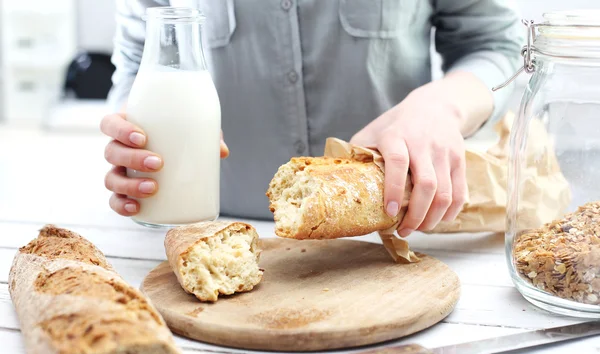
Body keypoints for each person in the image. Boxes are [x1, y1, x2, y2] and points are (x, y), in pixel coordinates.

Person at [101, 0, 523, 237]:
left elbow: (496, 45)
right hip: (204, 232)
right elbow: (139, 59)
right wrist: (133, 134)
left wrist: (442, 106)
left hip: (389, 244)